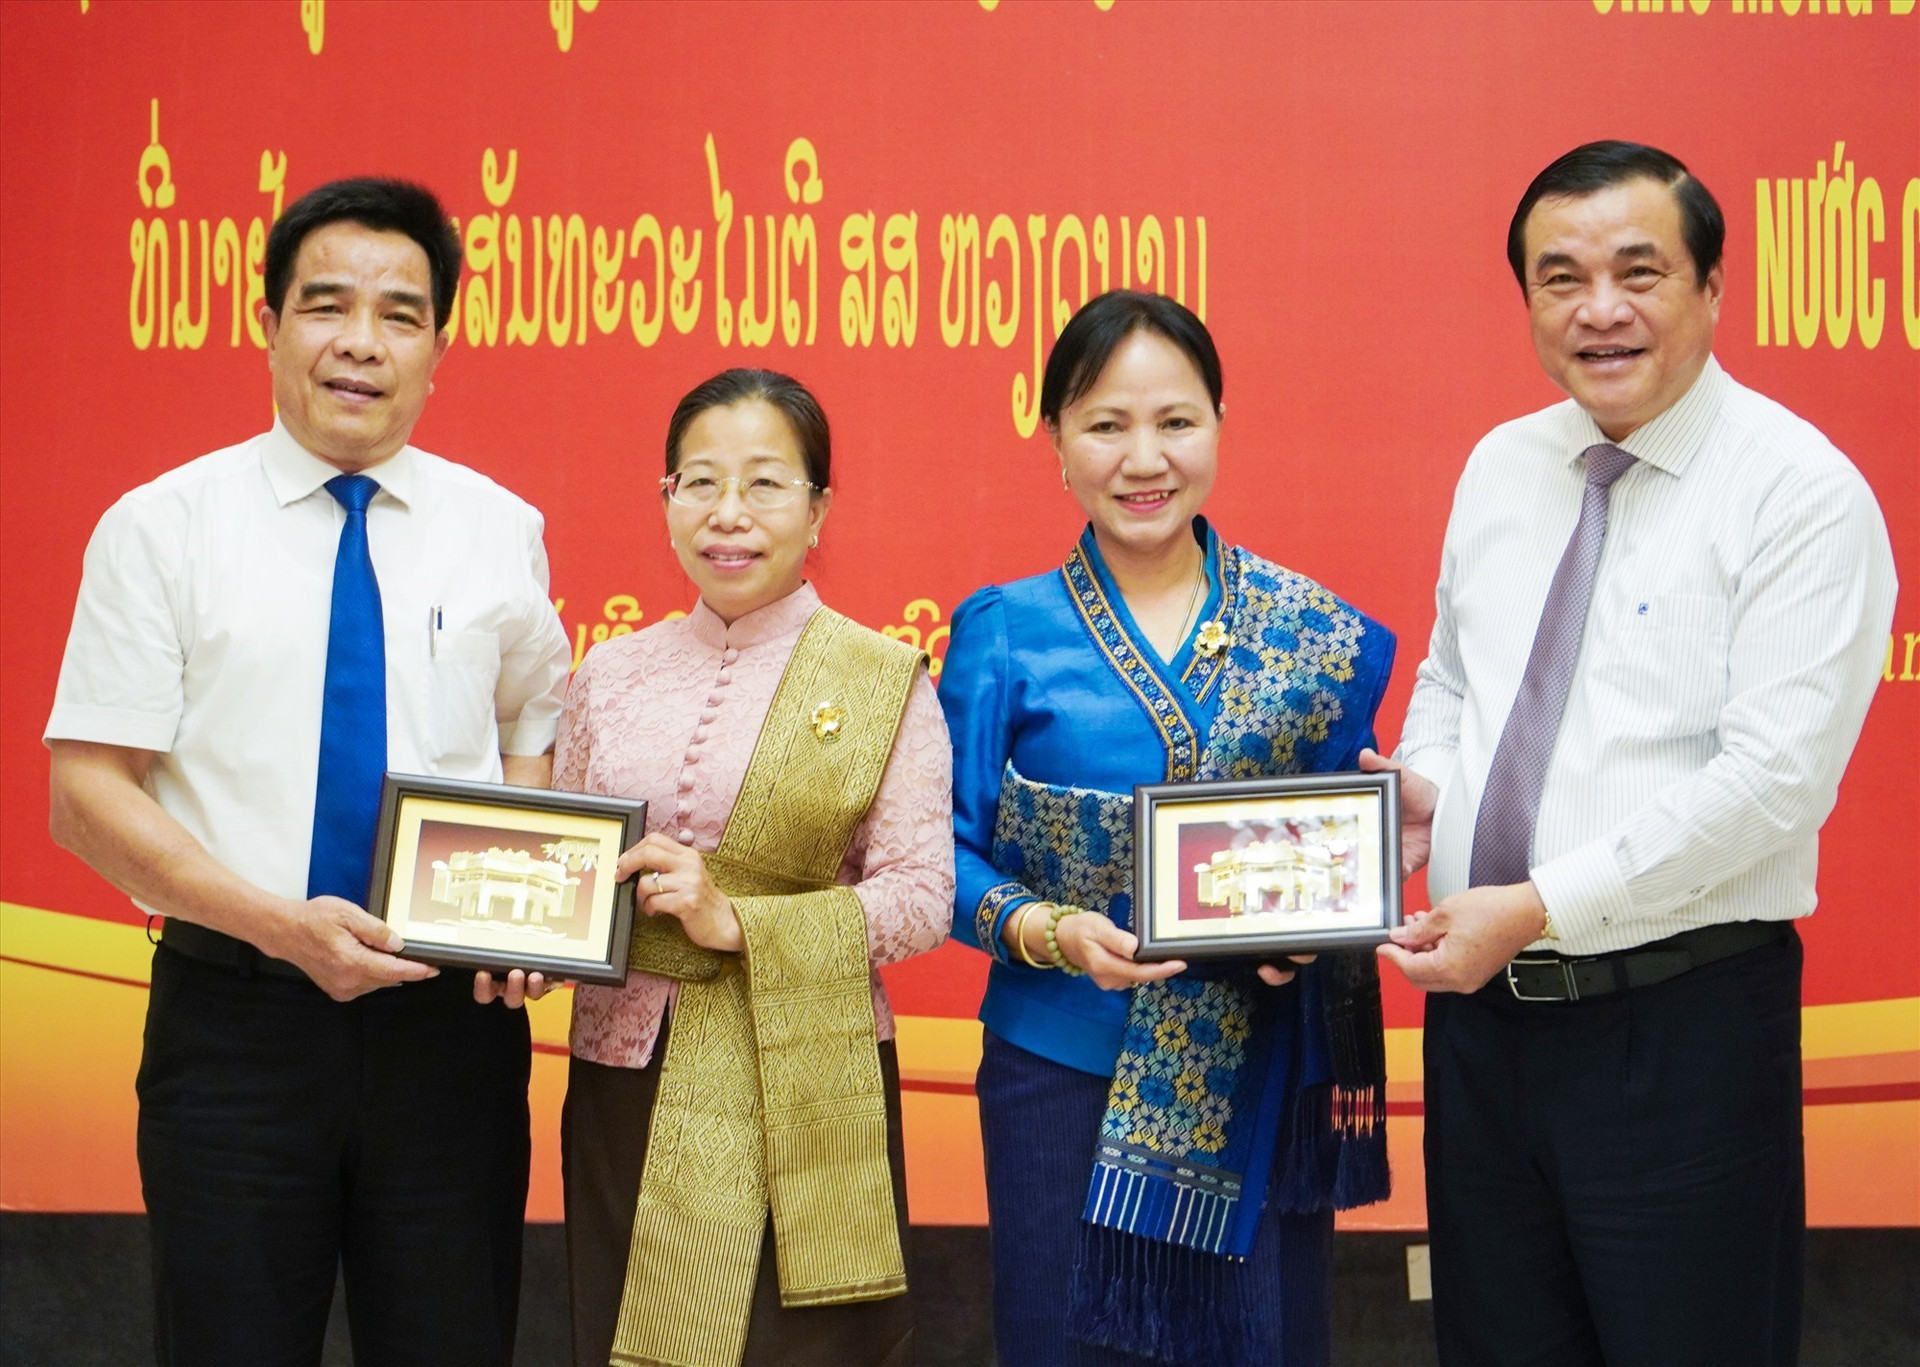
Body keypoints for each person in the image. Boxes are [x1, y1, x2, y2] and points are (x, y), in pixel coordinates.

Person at [1369, 141, 1898, 1367]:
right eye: (1561, 278)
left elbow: (1772, 782)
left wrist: (1544, 900)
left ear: (1713, 288)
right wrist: (1429, 789)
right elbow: (1455, 677)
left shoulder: (1799, 493)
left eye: (1638, 270)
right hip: (1484, 1031)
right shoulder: (1503, 464)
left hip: (1680, 1027)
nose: (1599, 309)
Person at [43, 177, 571, 1367]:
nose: (360, 342)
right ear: (269, 320)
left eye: (400, 312)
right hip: (235, 1025)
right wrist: (282, 927)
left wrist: (526, 907)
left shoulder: (501, 525)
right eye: (326, 305)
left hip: (447, 1037)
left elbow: (532, 718)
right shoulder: (161, 525)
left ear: (442, 342)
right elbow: (86, 795)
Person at [941, 291, 1397, 1367]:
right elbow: (941, 856)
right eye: (1105, 424)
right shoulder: (1004, 631)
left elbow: (1336, 856)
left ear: (1221, 425)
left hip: (1253, 1081)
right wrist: (1052, 930)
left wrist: (1305, 938)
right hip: (1059, 1069)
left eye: (1176, 421)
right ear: (1055, 440)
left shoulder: (1313, 635)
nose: (1143, 457)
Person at [553, 368, 953, 1367]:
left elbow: (921, 897)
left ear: (820, 507)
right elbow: (564, 871)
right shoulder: (607, 677)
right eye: (701, 482)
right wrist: (526, 949)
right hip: (626, 1075)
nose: (729, 515)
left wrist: (741, 922)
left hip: (806, 1080)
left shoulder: (879, 678)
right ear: (666, 499)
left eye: (767, 484)